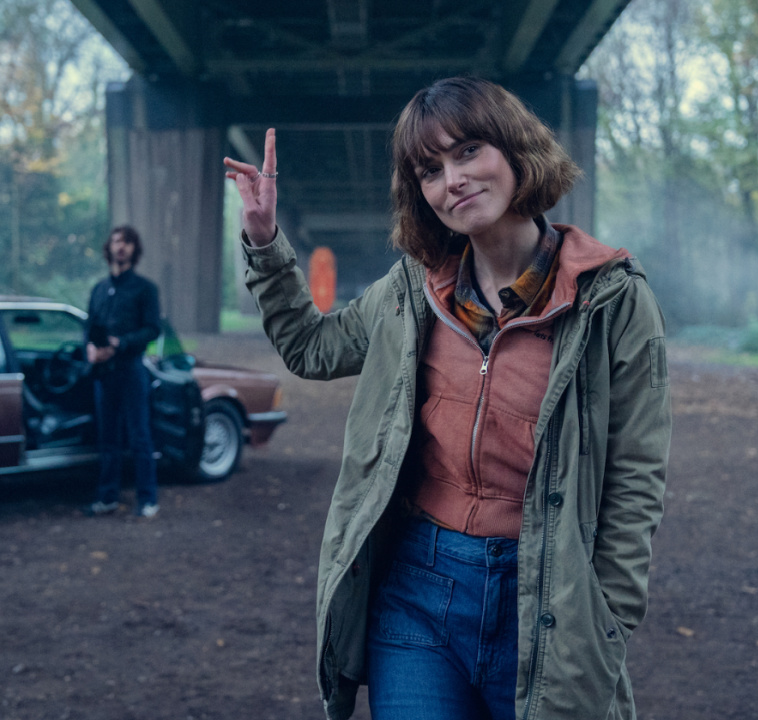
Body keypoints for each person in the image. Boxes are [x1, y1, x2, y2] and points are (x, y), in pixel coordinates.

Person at [224, 76, 671, 720]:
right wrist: (265, 240)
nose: (452, 179)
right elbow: (313, 349)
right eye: (429, 170)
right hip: (418, 589)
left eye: (467, 152)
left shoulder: (613, 299)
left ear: (516, 151)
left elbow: (637, 478)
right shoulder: (413, 287)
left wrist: (607, 618)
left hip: (544, 594)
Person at [84, 225, 162, 518]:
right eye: (117, 241)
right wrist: (91, 351)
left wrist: (120, 343)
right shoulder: (99, 290)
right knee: (108, 439)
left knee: (140, 436)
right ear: (109, 248)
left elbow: (152, 329)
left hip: (131, 371)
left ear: (134, 249)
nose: (121, 247)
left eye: (127, 242)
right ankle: (107, 498)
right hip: (103, 374)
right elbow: (89, 327)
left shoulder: (145, 288)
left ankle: (147, 500)